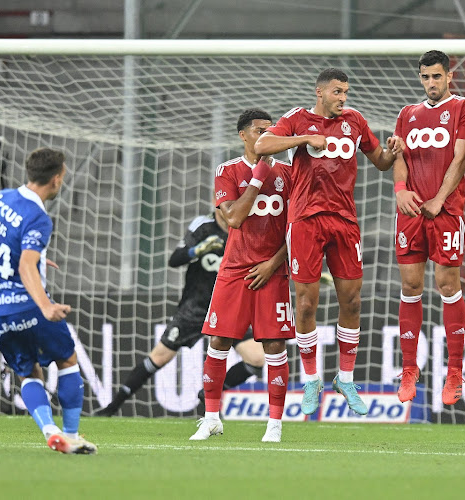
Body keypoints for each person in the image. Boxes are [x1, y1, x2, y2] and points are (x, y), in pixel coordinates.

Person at [254, 68, 403, 416]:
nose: (343, 98)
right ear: (319, 92)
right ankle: (311, 379)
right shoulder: (297, 118)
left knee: (351, 300)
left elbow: (380, 161)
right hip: (305, 220)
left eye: (346, 92)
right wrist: (303, 140)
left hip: (345, 221)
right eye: (337, 92)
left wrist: (393, 151)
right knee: (306, 305)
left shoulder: (355, 121)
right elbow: (262, 146)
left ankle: (345, 378)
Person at [0, 148, 97, 454]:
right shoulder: (38, 217)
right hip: (27, 305)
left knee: (29, 372)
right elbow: (25, 266)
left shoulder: (0, 198)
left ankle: (48, 430)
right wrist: (46, 306)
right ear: (56, 179)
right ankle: (70, 434)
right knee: (68, 361)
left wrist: (38, 256)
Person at [94, 207, 267, 417]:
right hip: (195, 307)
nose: (230, 206)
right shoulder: (203, 227)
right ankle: (112, 407)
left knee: (257, 358)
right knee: (159, 357)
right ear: (216, 202)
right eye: (225, 201)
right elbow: (174, 259)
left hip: (228, 308)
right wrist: (198, 250)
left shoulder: (244, 229)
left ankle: (211, 391)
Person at [190, 108, 294, 443]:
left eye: (270, 130)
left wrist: (273, 263)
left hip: (272, 270)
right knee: (219, 341)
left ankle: (274, 424)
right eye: (259, 130)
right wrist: (258, 176)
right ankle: (210, 418)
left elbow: (296, 230)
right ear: (243, 135)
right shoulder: (228, 171)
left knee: (274, 344)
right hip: (235, 269)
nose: (266, 135)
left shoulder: (290, 173)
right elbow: (233, 218)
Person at [393, 50, 465, 406]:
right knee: (410, 285)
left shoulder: (461, 108)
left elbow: (461, 157)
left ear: (449, 76)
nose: (431, 83)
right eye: (425, 77)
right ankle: (409, 368)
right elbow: (399, 158)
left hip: (446, 211)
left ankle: (454, 371)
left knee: (447, 284)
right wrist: (399, 190)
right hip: (411, 213)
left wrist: (441, 198)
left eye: (436, 77)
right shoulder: (407, 114)